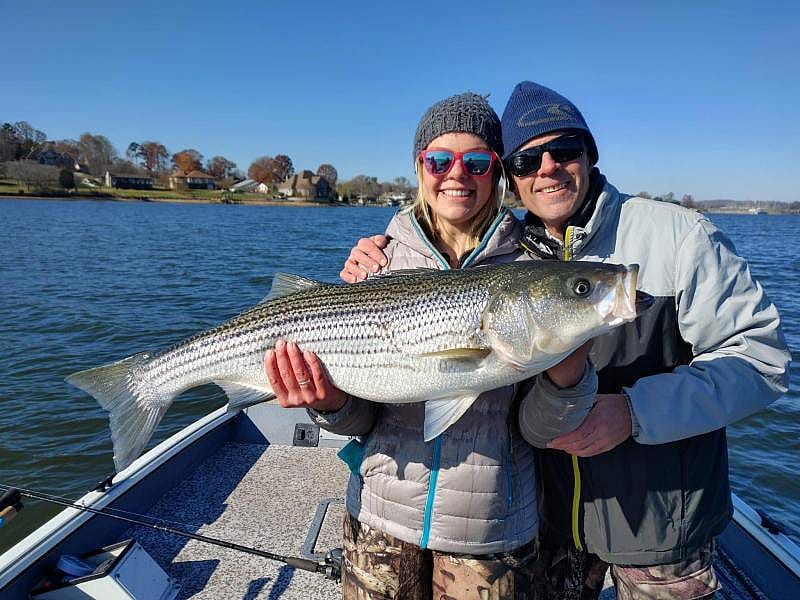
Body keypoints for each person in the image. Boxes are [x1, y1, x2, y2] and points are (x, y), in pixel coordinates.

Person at [341, 81, 791, 599]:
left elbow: (763, 360)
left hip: (656, 525)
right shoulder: (519, 251)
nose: (548, 168)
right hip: (550, 527)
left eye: (566, 151)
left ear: (591, 154)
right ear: (513, 176)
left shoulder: (677, 234)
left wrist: (632, 413)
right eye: (528, 160)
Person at [265, 92, 598, 600]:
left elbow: (540, 429)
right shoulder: (376, 263)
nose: (456, 174)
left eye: (477, 161)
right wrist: (328, 404)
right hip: (378, 517)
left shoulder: (532, 267)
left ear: (498, 173)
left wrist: (569, 372)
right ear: (419, 167)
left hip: (492, 533)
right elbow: (359, 421)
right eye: (439, 160)